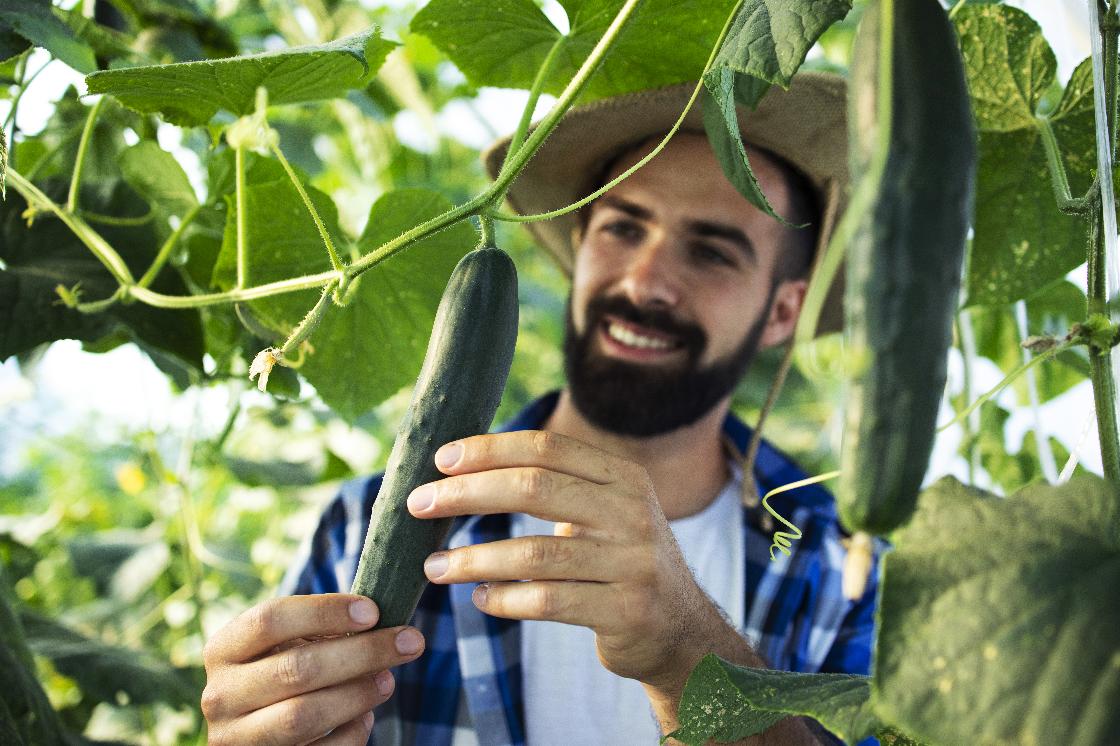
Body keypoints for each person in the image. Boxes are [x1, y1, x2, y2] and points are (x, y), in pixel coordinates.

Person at [200, 71, 880, 746]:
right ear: (579, 246)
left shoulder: (846, 573)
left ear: (783, 310)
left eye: (709, 252)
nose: (646, 282)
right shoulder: (361, 525)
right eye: (623, 227)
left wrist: (689, 654)